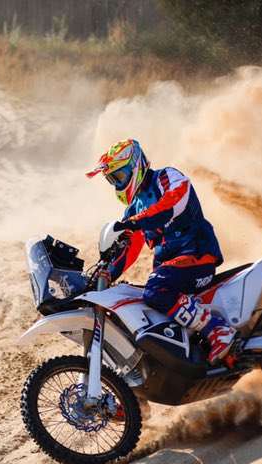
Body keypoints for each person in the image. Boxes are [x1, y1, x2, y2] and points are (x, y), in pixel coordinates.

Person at [86, 138, 237, 364]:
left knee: (156, 290)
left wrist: (137, 222)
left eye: (118, 177)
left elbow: (173, 203)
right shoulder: (133, 209)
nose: (116, 184)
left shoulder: (166, 178)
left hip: (197, 256)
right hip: (172, 269)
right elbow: (128, 249)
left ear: (135, 166)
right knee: (136, 302)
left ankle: (217, 329)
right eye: (112, 180)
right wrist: (108, 273)